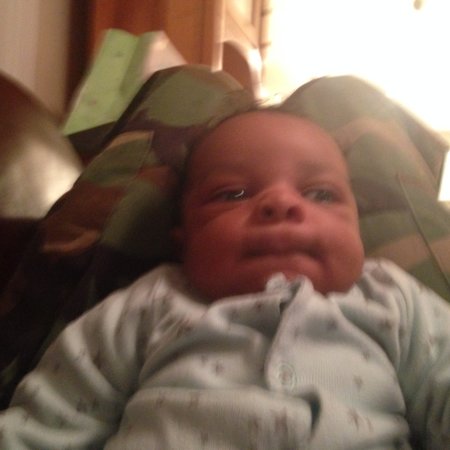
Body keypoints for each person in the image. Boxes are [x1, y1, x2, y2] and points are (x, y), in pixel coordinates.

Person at [0, 110, 449, 449]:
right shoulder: (151, 301)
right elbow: (48, 419)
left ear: (358, 226)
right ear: (184, 240)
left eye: (320, 193)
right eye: (233, 193)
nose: (281, 203)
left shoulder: (392, 296)